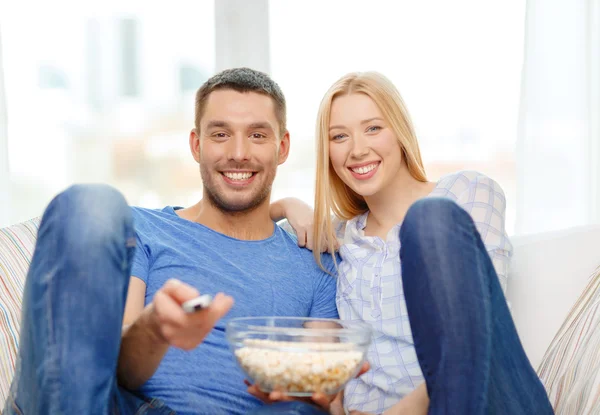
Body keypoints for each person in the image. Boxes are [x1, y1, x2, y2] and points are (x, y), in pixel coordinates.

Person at [4, 67, 362, 415]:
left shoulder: (317, 261)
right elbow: (124, 372)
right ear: (196, 144)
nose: (239, 152)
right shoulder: (143, 230)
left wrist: (314, 395)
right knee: (89, 203)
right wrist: (155, 329)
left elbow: (321, 385)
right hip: (117, 406)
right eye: (221, 134)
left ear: (282, 147)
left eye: (257, 135)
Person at [272, 71, 555, 414]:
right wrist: (287, 205)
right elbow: (246, 227)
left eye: (373, 128)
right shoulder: (339, 239)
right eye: (339, 136)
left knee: (429, 218)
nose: (358, 149)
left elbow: (479, 330)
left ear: (400, 131)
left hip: (489, 400)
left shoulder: (465, 193)